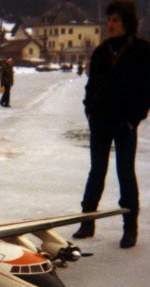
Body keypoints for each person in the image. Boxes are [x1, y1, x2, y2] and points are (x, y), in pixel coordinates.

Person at [73, 0, 149, 248]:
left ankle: (130, 228)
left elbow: (145, 91)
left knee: (125, 173)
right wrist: (89, 109)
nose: (110, 25)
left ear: (127, 22)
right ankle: (87, 221)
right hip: (101, 121)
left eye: (115, 20)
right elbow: (91, 85)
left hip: (124, 123)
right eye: (109, 20)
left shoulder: (142, 51)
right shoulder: (100, 52)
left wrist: (133, 117)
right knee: (96, 171)